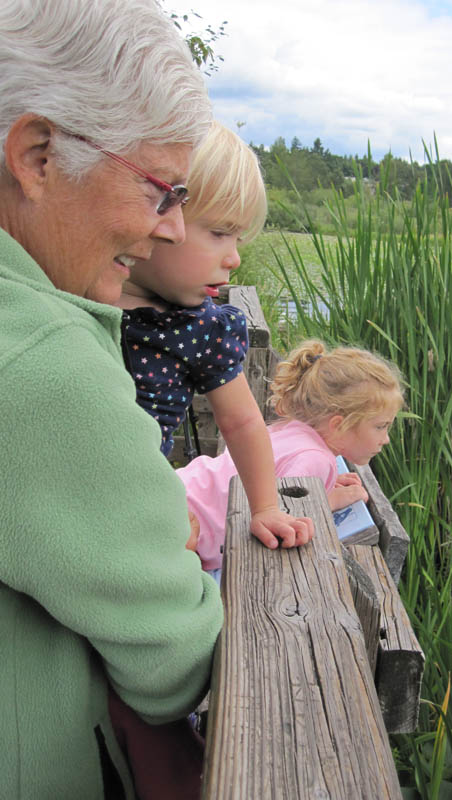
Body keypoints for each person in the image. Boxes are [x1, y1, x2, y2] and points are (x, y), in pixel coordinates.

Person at [0, 0, 224, 797]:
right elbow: (175, 663)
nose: (173, 230)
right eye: (162, 190)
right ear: (37, 155)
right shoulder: (41, 365)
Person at [118, 121, 314, 554]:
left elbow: (243, 422)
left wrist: (265, 507)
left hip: (135, 510)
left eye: (238, 238)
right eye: (220, 233)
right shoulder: (76, 289)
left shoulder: (201, 329)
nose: (234, 258)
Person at [178, 340, 406, 571]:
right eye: (380, 426)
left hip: (185, 493)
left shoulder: (292, 429)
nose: (385, 438)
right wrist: (333, 500)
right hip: (189, 527)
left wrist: (322, 487)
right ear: (339, 424)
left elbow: (275, 475)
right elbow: (284, 513)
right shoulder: (317, 459)